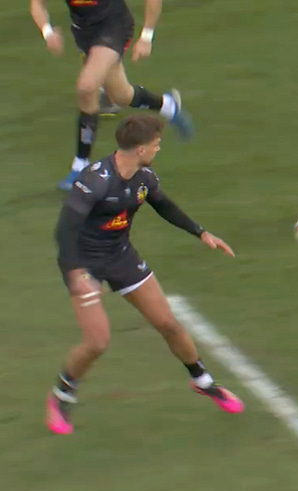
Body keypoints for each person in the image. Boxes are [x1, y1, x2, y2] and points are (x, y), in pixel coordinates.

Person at [48, 114, 241, 435]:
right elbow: (64, 231)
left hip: (121, 256)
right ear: (139, 149)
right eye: (156, 144)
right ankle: (61, 396)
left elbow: (164, 205)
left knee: (168, 324)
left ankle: (203, 381)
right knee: (97, 342)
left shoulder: (144, 177)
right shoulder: (95, 181)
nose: (158, 149)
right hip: (85, 263)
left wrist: (201, 232)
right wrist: (76, 274)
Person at [30, 0, 195, 190]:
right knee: (121, 95)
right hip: (84, 32)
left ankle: (80, 166)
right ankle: (169, 106)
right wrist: (48, 32)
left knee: (87, 88)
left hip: (114, 26)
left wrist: (146, 36)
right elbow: (37, 3)